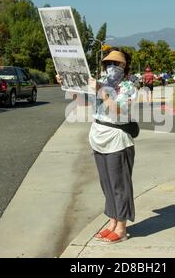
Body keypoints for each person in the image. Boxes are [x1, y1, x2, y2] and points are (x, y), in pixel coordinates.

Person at [57, 48, 138, 244]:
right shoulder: (101, 84)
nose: (111, 67)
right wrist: (68, 86)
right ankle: (112, 221)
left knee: (119, 185)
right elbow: (84, 102)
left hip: (117, 139)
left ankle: (121, 228)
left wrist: (101, 90)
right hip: (99, 136)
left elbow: (119, 111)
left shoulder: (128, 87)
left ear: (125, 66)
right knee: (107, 184)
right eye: (108, 64)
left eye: (116, 64)